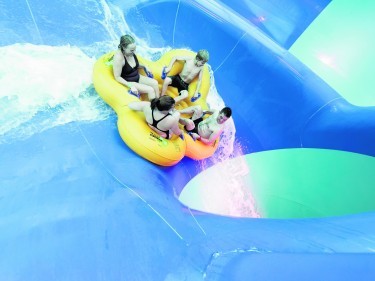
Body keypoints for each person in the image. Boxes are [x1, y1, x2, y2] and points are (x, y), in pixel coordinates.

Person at [113, 34, 160, 100]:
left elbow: (135, 65)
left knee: (155, 83)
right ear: (123, 47)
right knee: (150, 90)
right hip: (129, 81)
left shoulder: (130, 52)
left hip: (137, 77)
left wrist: (144, 66)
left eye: (135, 49)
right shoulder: (119, 58)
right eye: (132, 50)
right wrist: (130, 86)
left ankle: (159, 103)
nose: (134, 52)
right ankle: (154, 108)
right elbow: (117, 77)